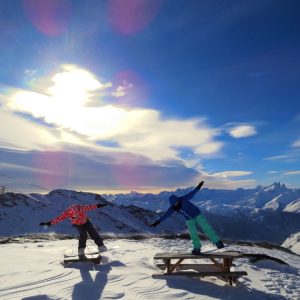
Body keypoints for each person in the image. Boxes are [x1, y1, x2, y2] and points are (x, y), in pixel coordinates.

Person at [150, 181, 224, 255]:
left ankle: (218, 242)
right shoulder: (173, 208)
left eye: (176, 202)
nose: (176, 204)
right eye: (174, 204)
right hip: (189, 219)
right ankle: (197, 248)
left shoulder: (183, 199)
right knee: (193, 233)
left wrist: (198, 187)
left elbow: (192, 193)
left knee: (206, 228)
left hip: (197, 214)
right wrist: (157, 222)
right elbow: (165, 215)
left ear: (177, 200)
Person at [40, 203, 107, 259]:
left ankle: (101, 246)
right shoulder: (67, 212)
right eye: (75, 216)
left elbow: (89, 207)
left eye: (77, 215)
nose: (77, 216)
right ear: (71, 215)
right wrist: (49, 223)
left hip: (86, 221)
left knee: (93, 232)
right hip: (77, 224)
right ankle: (81, 251)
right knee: (83, 234)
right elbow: (59, 218)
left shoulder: (80, 208)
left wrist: (98, 205)